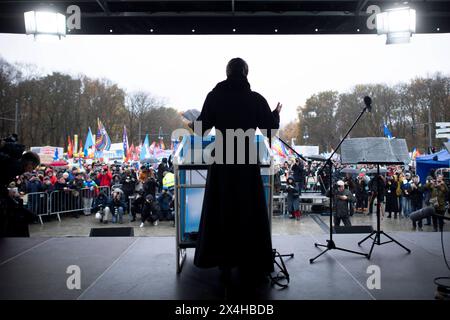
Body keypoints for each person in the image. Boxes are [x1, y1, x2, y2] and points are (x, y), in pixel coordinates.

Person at [192, 58, 281, 282]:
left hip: (222, 160)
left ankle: (222, 259)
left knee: (221, 207)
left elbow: (201, 130)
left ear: (227, 72)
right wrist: (275, 113)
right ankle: (250, 258)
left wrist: (191, 122)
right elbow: (270, 129)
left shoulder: (214, 96)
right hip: (246, 161)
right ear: (246, 73)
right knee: (248, 208)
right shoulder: (256, 99)